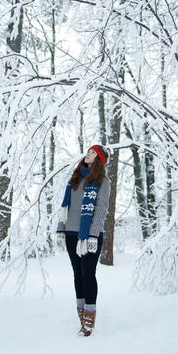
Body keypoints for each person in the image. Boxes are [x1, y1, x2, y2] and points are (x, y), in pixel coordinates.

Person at [56, 144, 111, 337]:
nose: (88, 154)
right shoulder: (75, 178)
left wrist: (94, 234)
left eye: (93, 152)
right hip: (71, 233)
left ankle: (89, 318)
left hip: (88, 235)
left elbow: (102, 208)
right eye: (88, 151)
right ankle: (81, 315)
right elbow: (66, 206)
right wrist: (61, 229)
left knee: (88, 273)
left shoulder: (102, 181)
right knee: (77, 273)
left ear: (99, 159)